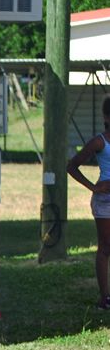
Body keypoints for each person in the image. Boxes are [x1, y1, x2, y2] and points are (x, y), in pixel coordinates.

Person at [66, 95, 110, 308]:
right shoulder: (99, 141)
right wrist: (94, 187)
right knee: (105, 247)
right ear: (106, 117)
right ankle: (105, 297)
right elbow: (72, 166)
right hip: (105, 201)